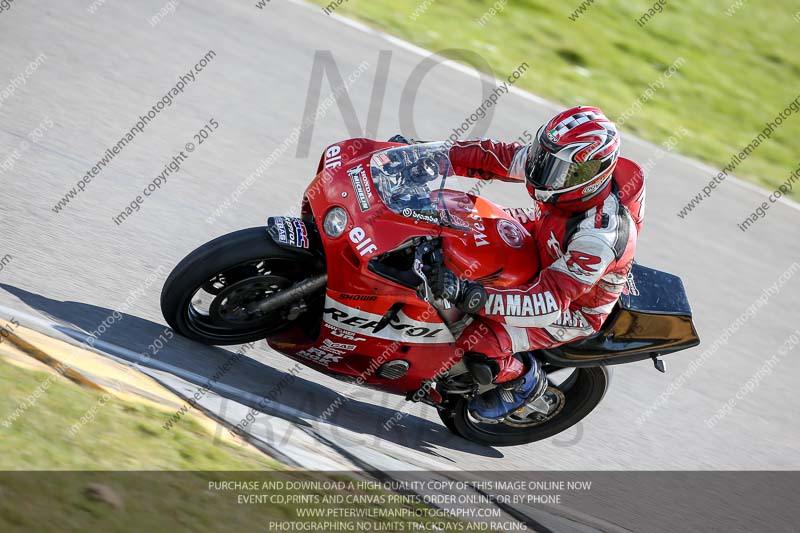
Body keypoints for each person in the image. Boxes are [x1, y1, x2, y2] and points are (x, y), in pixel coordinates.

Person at [408, 106, 646, 421]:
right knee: (445, 220)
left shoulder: (598, 237)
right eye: (543, 157)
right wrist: (428, 156)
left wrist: (472, 295)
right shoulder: (558, 161)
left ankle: (522, 382)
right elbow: (495, 157)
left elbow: (549, 303)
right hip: (542, 235)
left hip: (572, 307)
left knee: (473, 341)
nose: (544, 172)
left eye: (556, 169)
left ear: (590, 176)